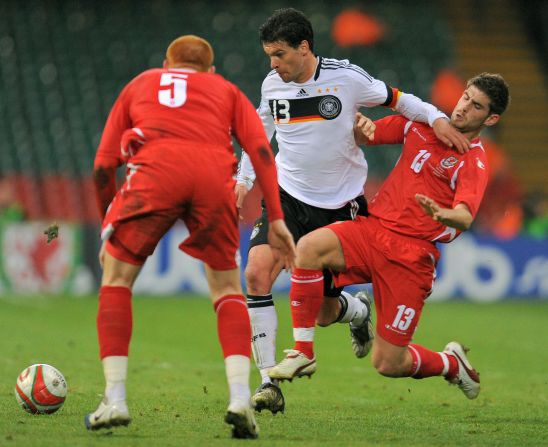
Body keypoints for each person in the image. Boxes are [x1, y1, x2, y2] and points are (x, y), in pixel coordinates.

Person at [235, 7, 470, 414]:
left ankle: (355, 309)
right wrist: (244, 177)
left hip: (340, 207)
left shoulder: (347, 78)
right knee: (256, 273)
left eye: (279, 54)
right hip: (289, 199)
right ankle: (269, 382)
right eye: (268, 56)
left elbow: (400, 100)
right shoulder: (273, 84)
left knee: (325, 313)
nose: (273, 64)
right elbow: (261, 130)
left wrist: (439, 117)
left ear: (304, 47)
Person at [85, 35, 296, 439]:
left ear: (167, 65)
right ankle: (238, 397)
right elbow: (260, 150)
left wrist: (107, 221)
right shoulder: (226, 90)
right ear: (210, 71)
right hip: (212, 177)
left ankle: (114, 398)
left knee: (116, 279)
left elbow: (102, 167)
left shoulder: (141, 83)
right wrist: (277, 218)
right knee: (226, 288)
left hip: (155, 174)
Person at [268, 73, 510, 401]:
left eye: (476, 105)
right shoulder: (422, 124)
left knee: (388, 362)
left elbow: (465, 217)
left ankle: (451, 365)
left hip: (411, 256)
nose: (464, 107)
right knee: (308, 249)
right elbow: (367, 136)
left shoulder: (474, 159)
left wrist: (443, 215)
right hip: (373, 231)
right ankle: (302, 351)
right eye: (466, 96)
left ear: (491, 118)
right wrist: (362, 128)